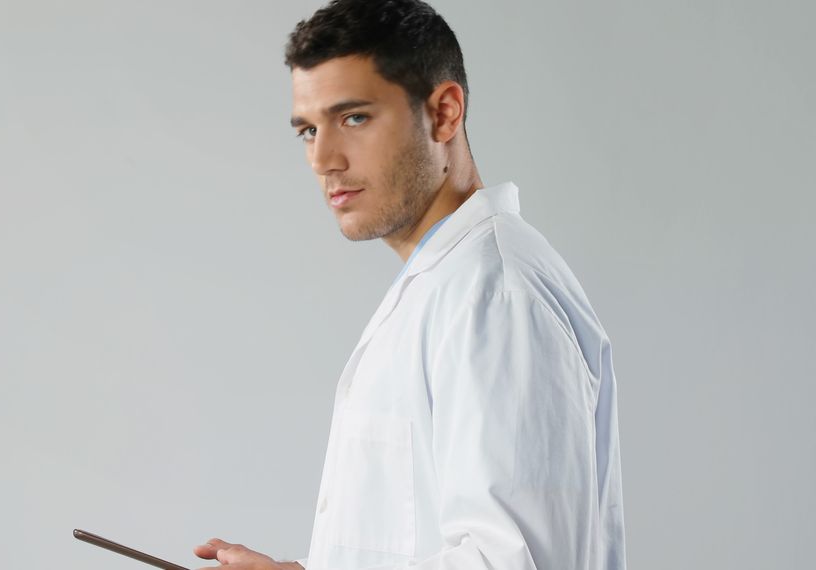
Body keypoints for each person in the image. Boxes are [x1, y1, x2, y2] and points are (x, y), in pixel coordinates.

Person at [193, 1, 627, 568]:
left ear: (444, 113)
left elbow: (513, 563)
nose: (322, 159)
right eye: (307, 130)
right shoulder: (449, 284)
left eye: (353, 118)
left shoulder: (494, 294)